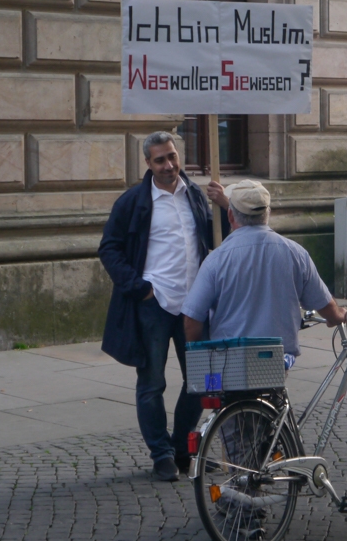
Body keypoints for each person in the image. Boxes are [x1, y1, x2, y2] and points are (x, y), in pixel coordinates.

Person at [98, 131, 228, 482]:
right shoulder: (133, 202)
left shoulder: (195, 195)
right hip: (153, 304)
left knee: (201, 381)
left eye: (172, 157)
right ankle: (161, 454)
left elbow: (219, 238)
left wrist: (225, 205)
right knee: (152, 383)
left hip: (194, 306)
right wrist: (139, 288)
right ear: (148, 163)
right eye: (160, 160)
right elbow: (109, 248)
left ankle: (183, 448)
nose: (169, 165)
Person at [181, 179, 347, 366]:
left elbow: (191, 318)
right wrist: (338, 315)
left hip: (229, 360)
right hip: (276, 359)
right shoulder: (296, 253)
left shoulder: (216, 260)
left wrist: (198, 354)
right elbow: (324, 304)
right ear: (268, 213)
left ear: (230, 215)